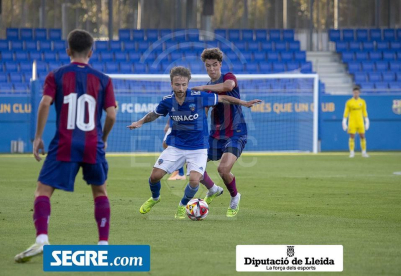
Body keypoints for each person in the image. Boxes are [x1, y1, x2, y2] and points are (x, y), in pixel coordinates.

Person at [15, 29, 116, 263]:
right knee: (100, 192)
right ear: (91, 52)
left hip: (64, 143)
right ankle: (103, 245)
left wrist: (38, 136)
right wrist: (103, 138)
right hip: (92, 144)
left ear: (68, 50)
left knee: (43, 191)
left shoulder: (56, 75)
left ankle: (42, 239)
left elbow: (44, 103)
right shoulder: (104, 79)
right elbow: (111, 115)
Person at [127, 66, 260, 219]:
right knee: (154, 176)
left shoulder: (198, 97)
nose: (181, 88)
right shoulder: (167, 101)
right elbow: (154, 114)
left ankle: (182, 206)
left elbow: (223, 98)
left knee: (194, 180)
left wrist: (244, 103)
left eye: (184, 84)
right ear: (171, 84)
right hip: (176, 146)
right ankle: (155, 198)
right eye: (177, 84)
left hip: (198, 147)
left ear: (188, 83)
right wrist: (140, 122)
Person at [191, 48, 248, 217]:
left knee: (223, 169)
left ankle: (235, 196)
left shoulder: (229, 77)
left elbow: (228, 86)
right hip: (215, 136)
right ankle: (213, 189)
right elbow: (204, 111)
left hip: (236, 133)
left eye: (215, 65)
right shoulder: (207, 89)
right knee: (194, 166)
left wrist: (202, 87)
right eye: (208, 66)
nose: (212, 69)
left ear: (220, 64)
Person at [342, 86, 369, 158]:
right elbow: (346, 112)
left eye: (357, 92)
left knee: (362, 136)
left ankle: (364, 152)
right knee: (352, 136)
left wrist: (367, 121)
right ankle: (351, 152)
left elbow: (364, 111)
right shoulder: (349, 102)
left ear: (359, 93)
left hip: (360, 122)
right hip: (352, 122)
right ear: (352, 93)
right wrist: (344, 121)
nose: (356, 94)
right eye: (354, 92)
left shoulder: (362, 102)